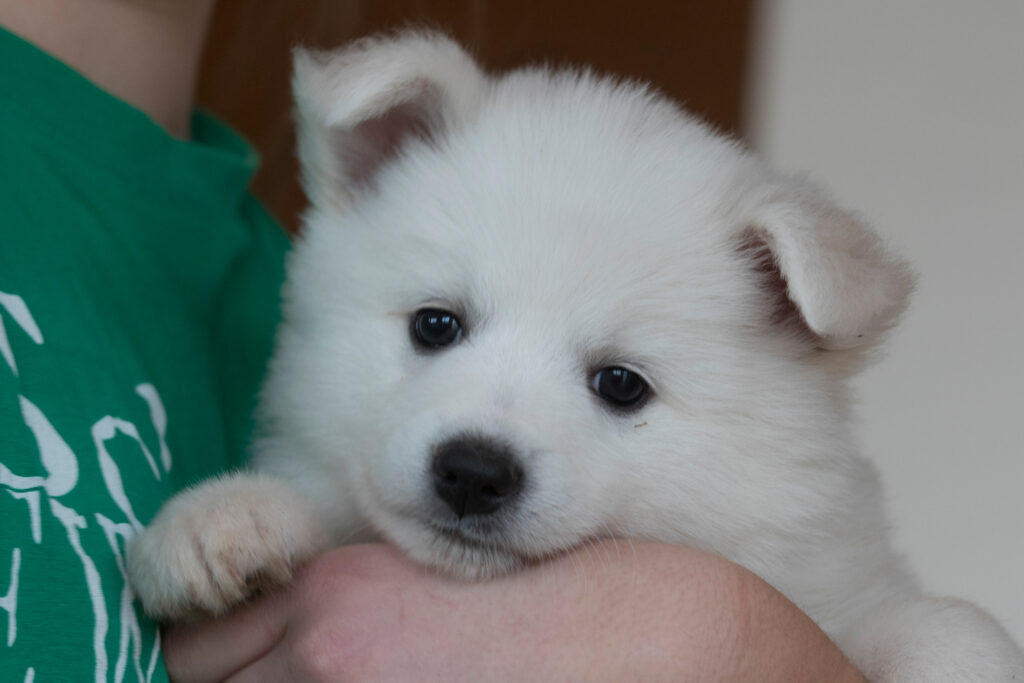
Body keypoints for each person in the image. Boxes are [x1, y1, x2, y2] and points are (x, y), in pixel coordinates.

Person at [0, 0, 866, 680]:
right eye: (438, 328)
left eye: (619, 384)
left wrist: (738, 640)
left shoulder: (248, 280)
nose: (483, 449)